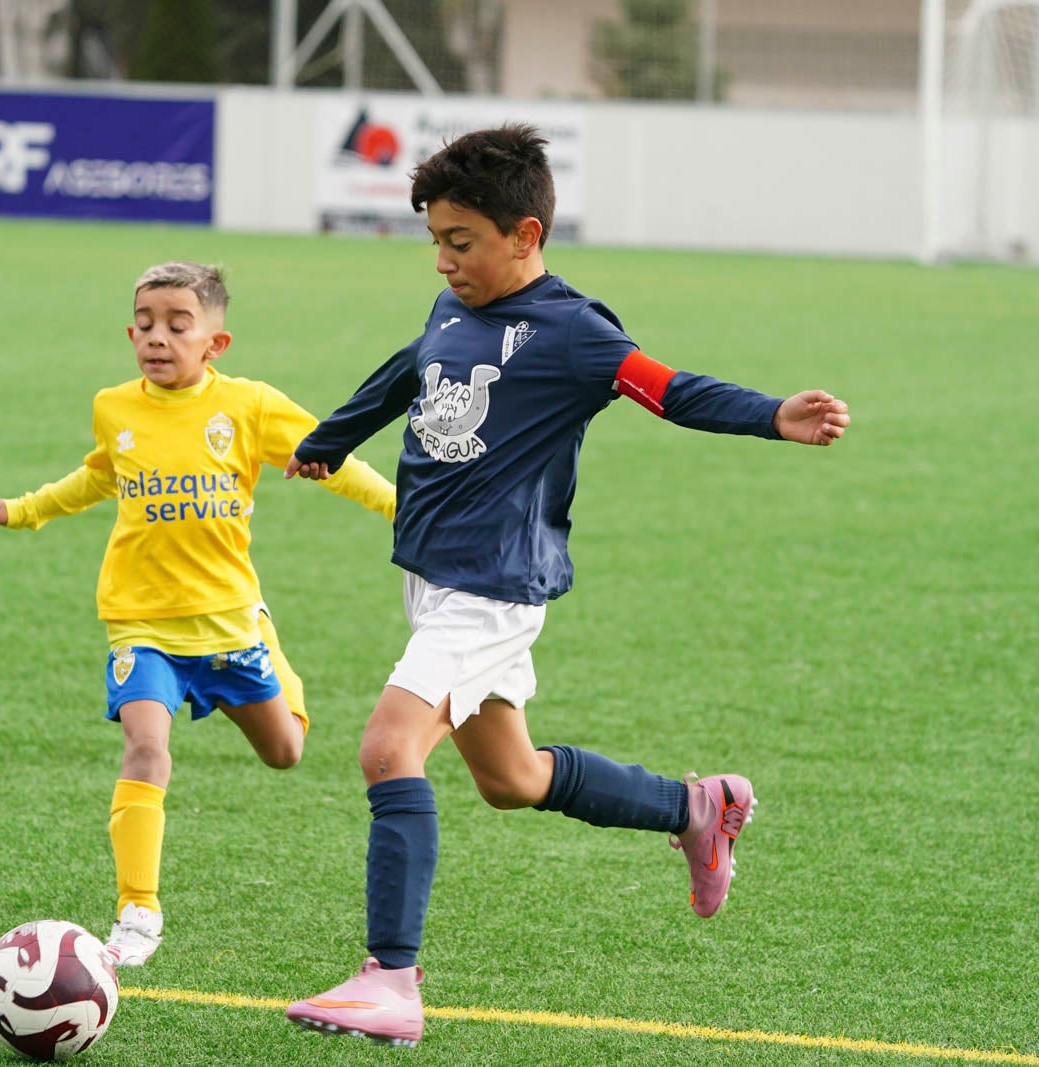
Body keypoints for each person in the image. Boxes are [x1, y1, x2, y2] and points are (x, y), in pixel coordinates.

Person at [280, 126, 851, 1047]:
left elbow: (669, 388)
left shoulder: (576, 332)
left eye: (461, 242)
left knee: (389, 748)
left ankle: (390, 978)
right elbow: (409, 370)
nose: (443, 261)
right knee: (511, 778)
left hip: (493, 586)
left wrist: (770, 415)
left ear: (526, 235)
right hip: (434, 578)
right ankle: (697, 808)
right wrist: (332, 438)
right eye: (436, 241)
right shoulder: (453, 305)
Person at [0, 261, 395, 968]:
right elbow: (98, 476)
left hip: (227, 625)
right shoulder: (115, 407)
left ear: (215, 343)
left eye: (176, 324)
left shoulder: (249, 406)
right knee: (145, 748)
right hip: (141, 623)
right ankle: (138, 908)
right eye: (145, 324)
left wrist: (400, 507)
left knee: (285, 750)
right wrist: (22, 509)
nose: (156, 337)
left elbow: (333, 458)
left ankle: (264, 636)